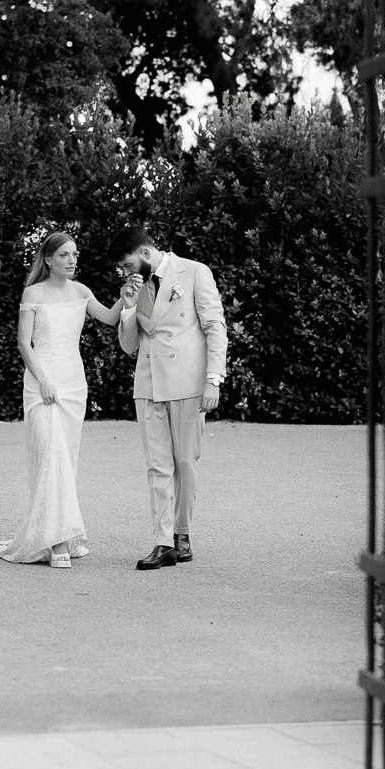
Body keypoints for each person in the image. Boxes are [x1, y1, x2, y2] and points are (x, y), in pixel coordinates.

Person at [0, 231, 123, 569]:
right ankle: (55, 542)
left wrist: (127, 296)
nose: (72, 260)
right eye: (64, 255)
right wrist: (42, 381)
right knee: (49, 456)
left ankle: (65, 534)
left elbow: (111, 318)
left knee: (66, 459)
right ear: (48, 259)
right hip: (42, 381)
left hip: (74, 383)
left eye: (74, 254)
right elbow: (24, 343)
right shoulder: (34, 293)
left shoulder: (82, 291)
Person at [108, 225, 228, 571]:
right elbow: (129, 346)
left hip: (189, 384)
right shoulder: (135, 287)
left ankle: (183, 534)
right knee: (157, 466)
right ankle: (162, 542)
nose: (125, 273)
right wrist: (128, 309)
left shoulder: (193, 272)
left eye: (127, 265)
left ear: (145, 254)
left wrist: (213, 380)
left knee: (185, 462)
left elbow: (214, 327)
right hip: (148, 385)